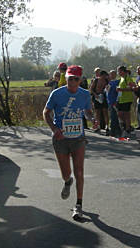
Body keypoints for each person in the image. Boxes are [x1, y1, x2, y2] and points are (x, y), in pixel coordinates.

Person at [43, 65, 97, 221]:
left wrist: (92, 119)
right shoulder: (57, 93)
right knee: (66, 173)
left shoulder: (85, 94)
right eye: (70, 79)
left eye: (76, 79)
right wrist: (54, 129)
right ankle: (67, 182)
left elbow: (87, 111)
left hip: (78, 137)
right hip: (61, 138)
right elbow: (46, 112)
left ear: (80, 80)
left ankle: (78, 204)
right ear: (65, 78)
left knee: (79, 171)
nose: (72, 82)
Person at [90, 70, 109, 135]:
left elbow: (108, 88)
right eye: (104, 76)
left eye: (105, 76)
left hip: (104, 97)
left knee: (105, 112)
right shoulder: (96, 80)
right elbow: (91, 89)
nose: (105, 77)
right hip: (97, 97)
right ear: (101, 75)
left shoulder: (106, 81)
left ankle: (107, 126)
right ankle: (98, 126)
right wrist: (95, 95)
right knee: (97, 113)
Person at [117, 65, 134, 137]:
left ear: (123, 71)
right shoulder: (121, 78)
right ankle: (128, 126)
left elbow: (132, 88)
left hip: (127, 99)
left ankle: (127, 129)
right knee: (120, 114)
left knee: (126, 114)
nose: (118, 73)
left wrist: (121, 90)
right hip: (121, 99)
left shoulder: (128, 78)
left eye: (119, 71)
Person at [105, 70, 121, 137]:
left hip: (115, 101)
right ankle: (115, 130)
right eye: (111, 74)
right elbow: (107, 92)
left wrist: (117, 100)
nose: (112, 75)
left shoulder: (117, 82)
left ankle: (114, 131)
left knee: (114, 116)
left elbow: (119, 92)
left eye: (113, 74)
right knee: (112, 116)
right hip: (110, 101)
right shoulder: (109, 83)